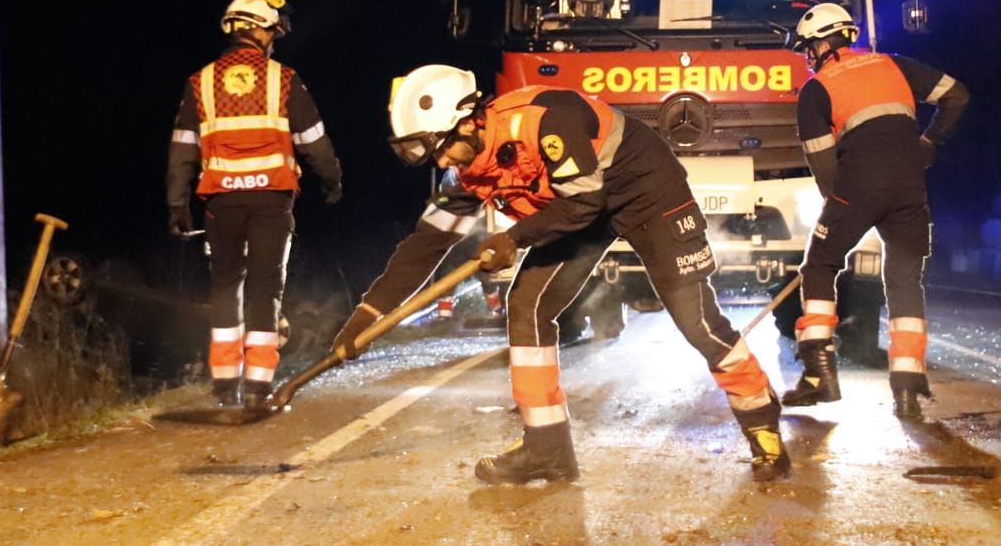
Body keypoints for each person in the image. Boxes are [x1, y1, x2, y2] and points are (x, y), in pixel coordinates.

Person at [329, 64, 791, 484]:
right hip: (575, 206)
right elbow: (425, 245)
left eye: (444, 149)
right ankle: (546, 448)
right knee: (527, 305)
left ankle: (761, 421)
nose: (445, 164)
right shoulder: (468, 171)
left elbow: (585, 201)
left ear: (468, 120)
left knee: (697, 321)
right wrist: (366, 317)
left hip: (642, 189)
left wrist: (513, 239)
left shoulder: (548, 117)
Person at [782, 3, 970, 419]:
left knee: (819, 267)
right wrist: (929, 142)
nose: (808, 58)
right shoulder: (895, 65)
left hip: (858, 187)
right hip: (910, 188)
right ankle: (907, 387)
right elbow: (957, 95)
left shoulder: (815, 90)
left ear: (823, 44)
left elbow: (825, 171)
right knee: (904, 281)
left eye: (808, 49)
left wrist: (841, 212)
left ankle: (819, 375)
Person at [166, 0, 343, 409]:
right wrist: (331, 179)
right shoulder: (283, 79)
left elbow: (182, 150)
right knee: (266, 289)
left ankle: (225, 382)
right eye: (272, 31)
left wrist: (176, 204)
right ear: (259, 30)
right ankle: (259, 386)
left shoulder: (200, 83)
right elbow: (313, 142)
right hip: (271, 200)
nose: (274, 39)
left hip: (220, 203)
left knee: (226, 285)